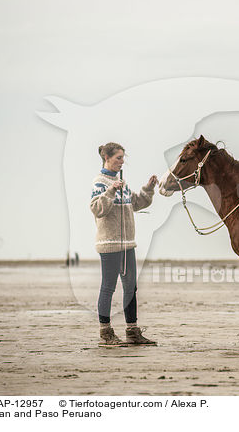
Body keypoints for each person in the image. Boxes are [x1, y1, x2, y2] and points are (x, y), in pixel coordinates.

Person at [90, 142, 158, 347]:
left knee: (130, 288)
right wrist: (110, 191)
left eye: (123, 158)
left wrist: (149, 188)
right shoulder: (100, 182)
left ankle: (132, 331)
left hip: (128, 244)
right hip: (109, 245)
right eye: (118, 157)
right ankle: (106, 332)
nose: (122, 162)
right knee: (108, 287)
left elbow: (136, 203)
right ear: (107, 158)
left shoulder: (122, 182)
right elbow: (96, 209)